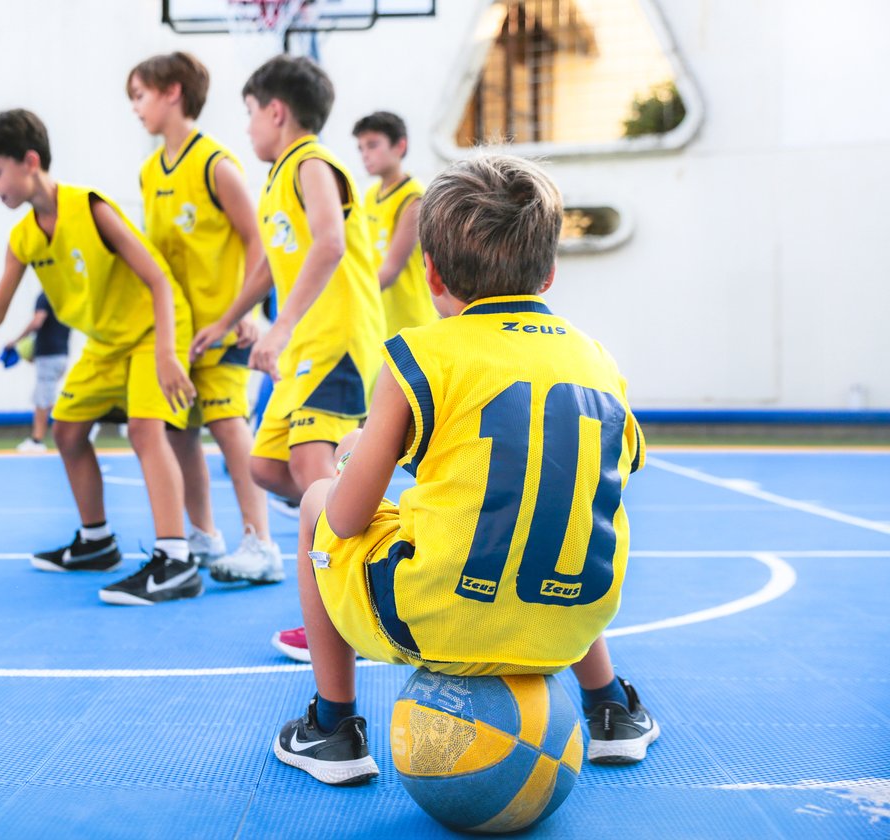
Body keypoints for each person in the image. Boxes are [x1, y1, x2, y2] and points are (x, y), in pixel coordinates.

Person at [273, 154, 659, 786]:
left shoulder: (418, 356)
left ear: (430, 273)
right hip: (571, 623)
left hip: (437, 619)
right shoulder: (599, 361)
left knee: (318, 497)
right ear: (550, 271)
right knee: (549, 511)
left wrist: (352, 451)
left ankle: (333, 726)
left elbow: (346, 519)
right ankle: (610, 708)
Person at [0, 109, 203, 605]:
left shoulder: (90, 208)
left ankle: (176, 559)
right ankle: (97, 542)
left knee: (144, 429)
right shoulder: (24, 238)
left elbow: (159, 279)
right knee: (67, 428)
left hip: (154, 330)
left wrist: (165, 352)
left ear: (30, 162)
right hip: (106, 342)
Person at [191, 56, 384, 593]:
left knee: (307, 467)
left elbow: (330, 243)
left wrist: (278, 329)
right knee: (266, 466)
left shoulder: (312, 164)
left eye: (250, 113)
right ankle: (362, 518)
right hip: (304, 347)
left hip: (335, 342)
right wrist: (227, 321)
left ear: (276, 112)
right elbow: (268, 267)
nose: (248, 125)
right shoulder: (279, 178)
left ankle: (343, 602)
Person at [127, 51, 281, 580]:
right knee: (180, 433)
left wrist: (246, 309)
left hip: (224, 326)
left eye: (140, 95)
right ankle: (204, 534)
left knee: (227, 426)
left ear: (173, 92)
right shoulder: (150, 172)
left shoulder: (215, 163)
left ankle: (260, 542)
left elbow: (257, 239)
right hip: (178, 334)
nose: (135, 108)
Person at [352, 111, 437, 339]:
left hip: (409, 322)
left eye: (372, 145)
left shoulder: (413, 199)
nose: (365, 155)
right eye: (361, 148)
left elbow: (390, 269)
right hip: (378, 319)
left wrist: (348, 300)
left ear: (399, 146)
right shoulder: (370, 195)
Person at [7, 291, 71, 453]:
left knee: (41, 400)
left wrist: (16, 341)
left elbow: (37, 321)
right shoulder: (64, 296)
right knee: (48, 399)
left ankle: (37, 440)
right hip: (61, 354)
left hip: (49, 356)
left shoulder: (45, 296)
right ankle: (79, 425)